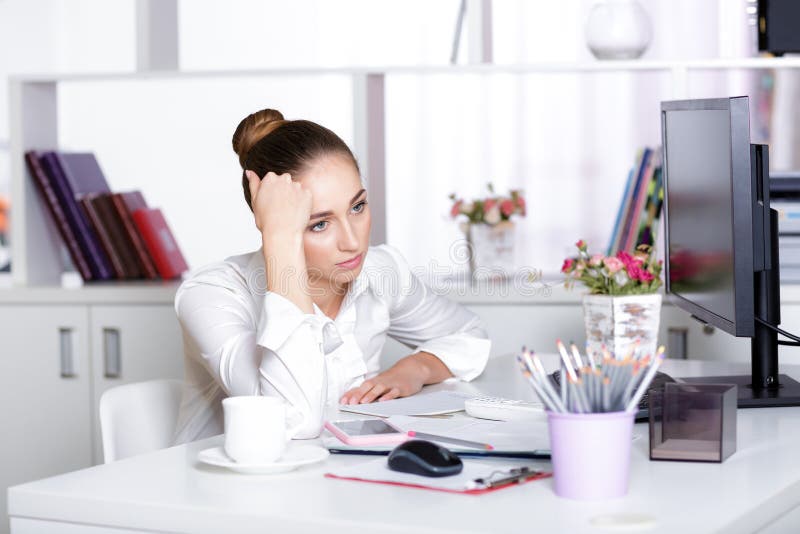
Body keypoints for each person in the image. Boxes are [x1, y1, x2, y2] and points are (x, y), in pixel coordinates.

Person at [172, 109, 491, 443]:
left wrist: (417, 368)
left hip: (338, 477)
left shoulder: (380, 272)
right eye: (319, 224)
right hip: (225, 488)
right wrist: (281, 243)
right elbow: (294, 422)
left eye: (357, 207)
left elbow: (470, 336)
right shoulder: (213, 294)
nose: (352, 242)